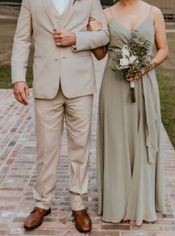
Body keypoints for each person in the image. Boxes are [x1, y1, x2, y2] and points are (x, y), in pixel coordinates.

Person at [11, 0, 109, 233]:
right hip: (46, 84)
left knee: (79, 148)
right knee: (45, 149)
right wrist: (18, 78)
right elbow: (22, 39)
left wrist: (77, 38)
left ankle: (79, 205)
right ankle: (42, 204)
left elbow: (105, 35)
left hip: (80, 85)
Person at [87, 0, 168, 225]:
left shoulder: (154, 12)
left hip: (145, 83)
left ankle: (142, 200)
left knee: (142, 138)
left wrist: (146, 66)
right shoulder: (106, 14)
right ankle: (117, 201)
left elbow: (163, 49)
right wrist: (91, 32)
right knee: (116, 141)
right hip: (114, 85)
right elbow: (101, 54)